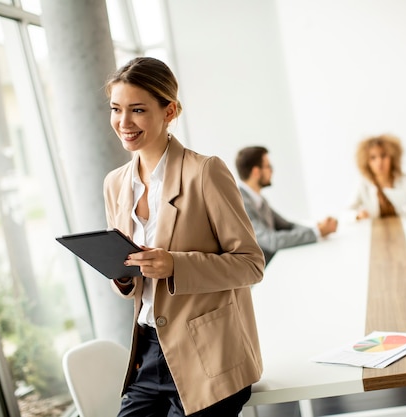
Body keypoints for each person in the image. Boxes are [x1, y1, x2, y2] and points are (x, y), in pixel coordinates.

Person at [103, 57, 265, 417]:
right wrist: (121, 274)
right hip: (147, 355)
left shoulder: (205, 172)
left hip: (210, 357)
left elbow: (251, 265)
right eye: (116, 109)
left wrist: (175, 265)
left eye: (138, 110)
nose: (123, 123)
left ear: (169, 111)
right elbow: (129, 283)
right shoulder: (115, 183)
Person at [235, 146, 338, 264]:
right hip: (262, 277)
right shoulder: (240, 204)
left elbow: (288, 226)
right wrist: (317, 232)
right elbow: (272, 241)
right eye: (268, 166)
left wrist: (318, 228)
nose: (272, 171)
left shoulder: (260, 200)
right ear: (256, 172)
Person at [350, 134, 406, 220]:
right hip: (376, 231)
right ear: (366, 161)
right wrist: (358, 215)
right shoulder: (363, 185)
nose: (379, 162)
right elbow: (346, 213)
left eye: (383, 156)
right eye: (373, 158)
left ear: (392, 157)